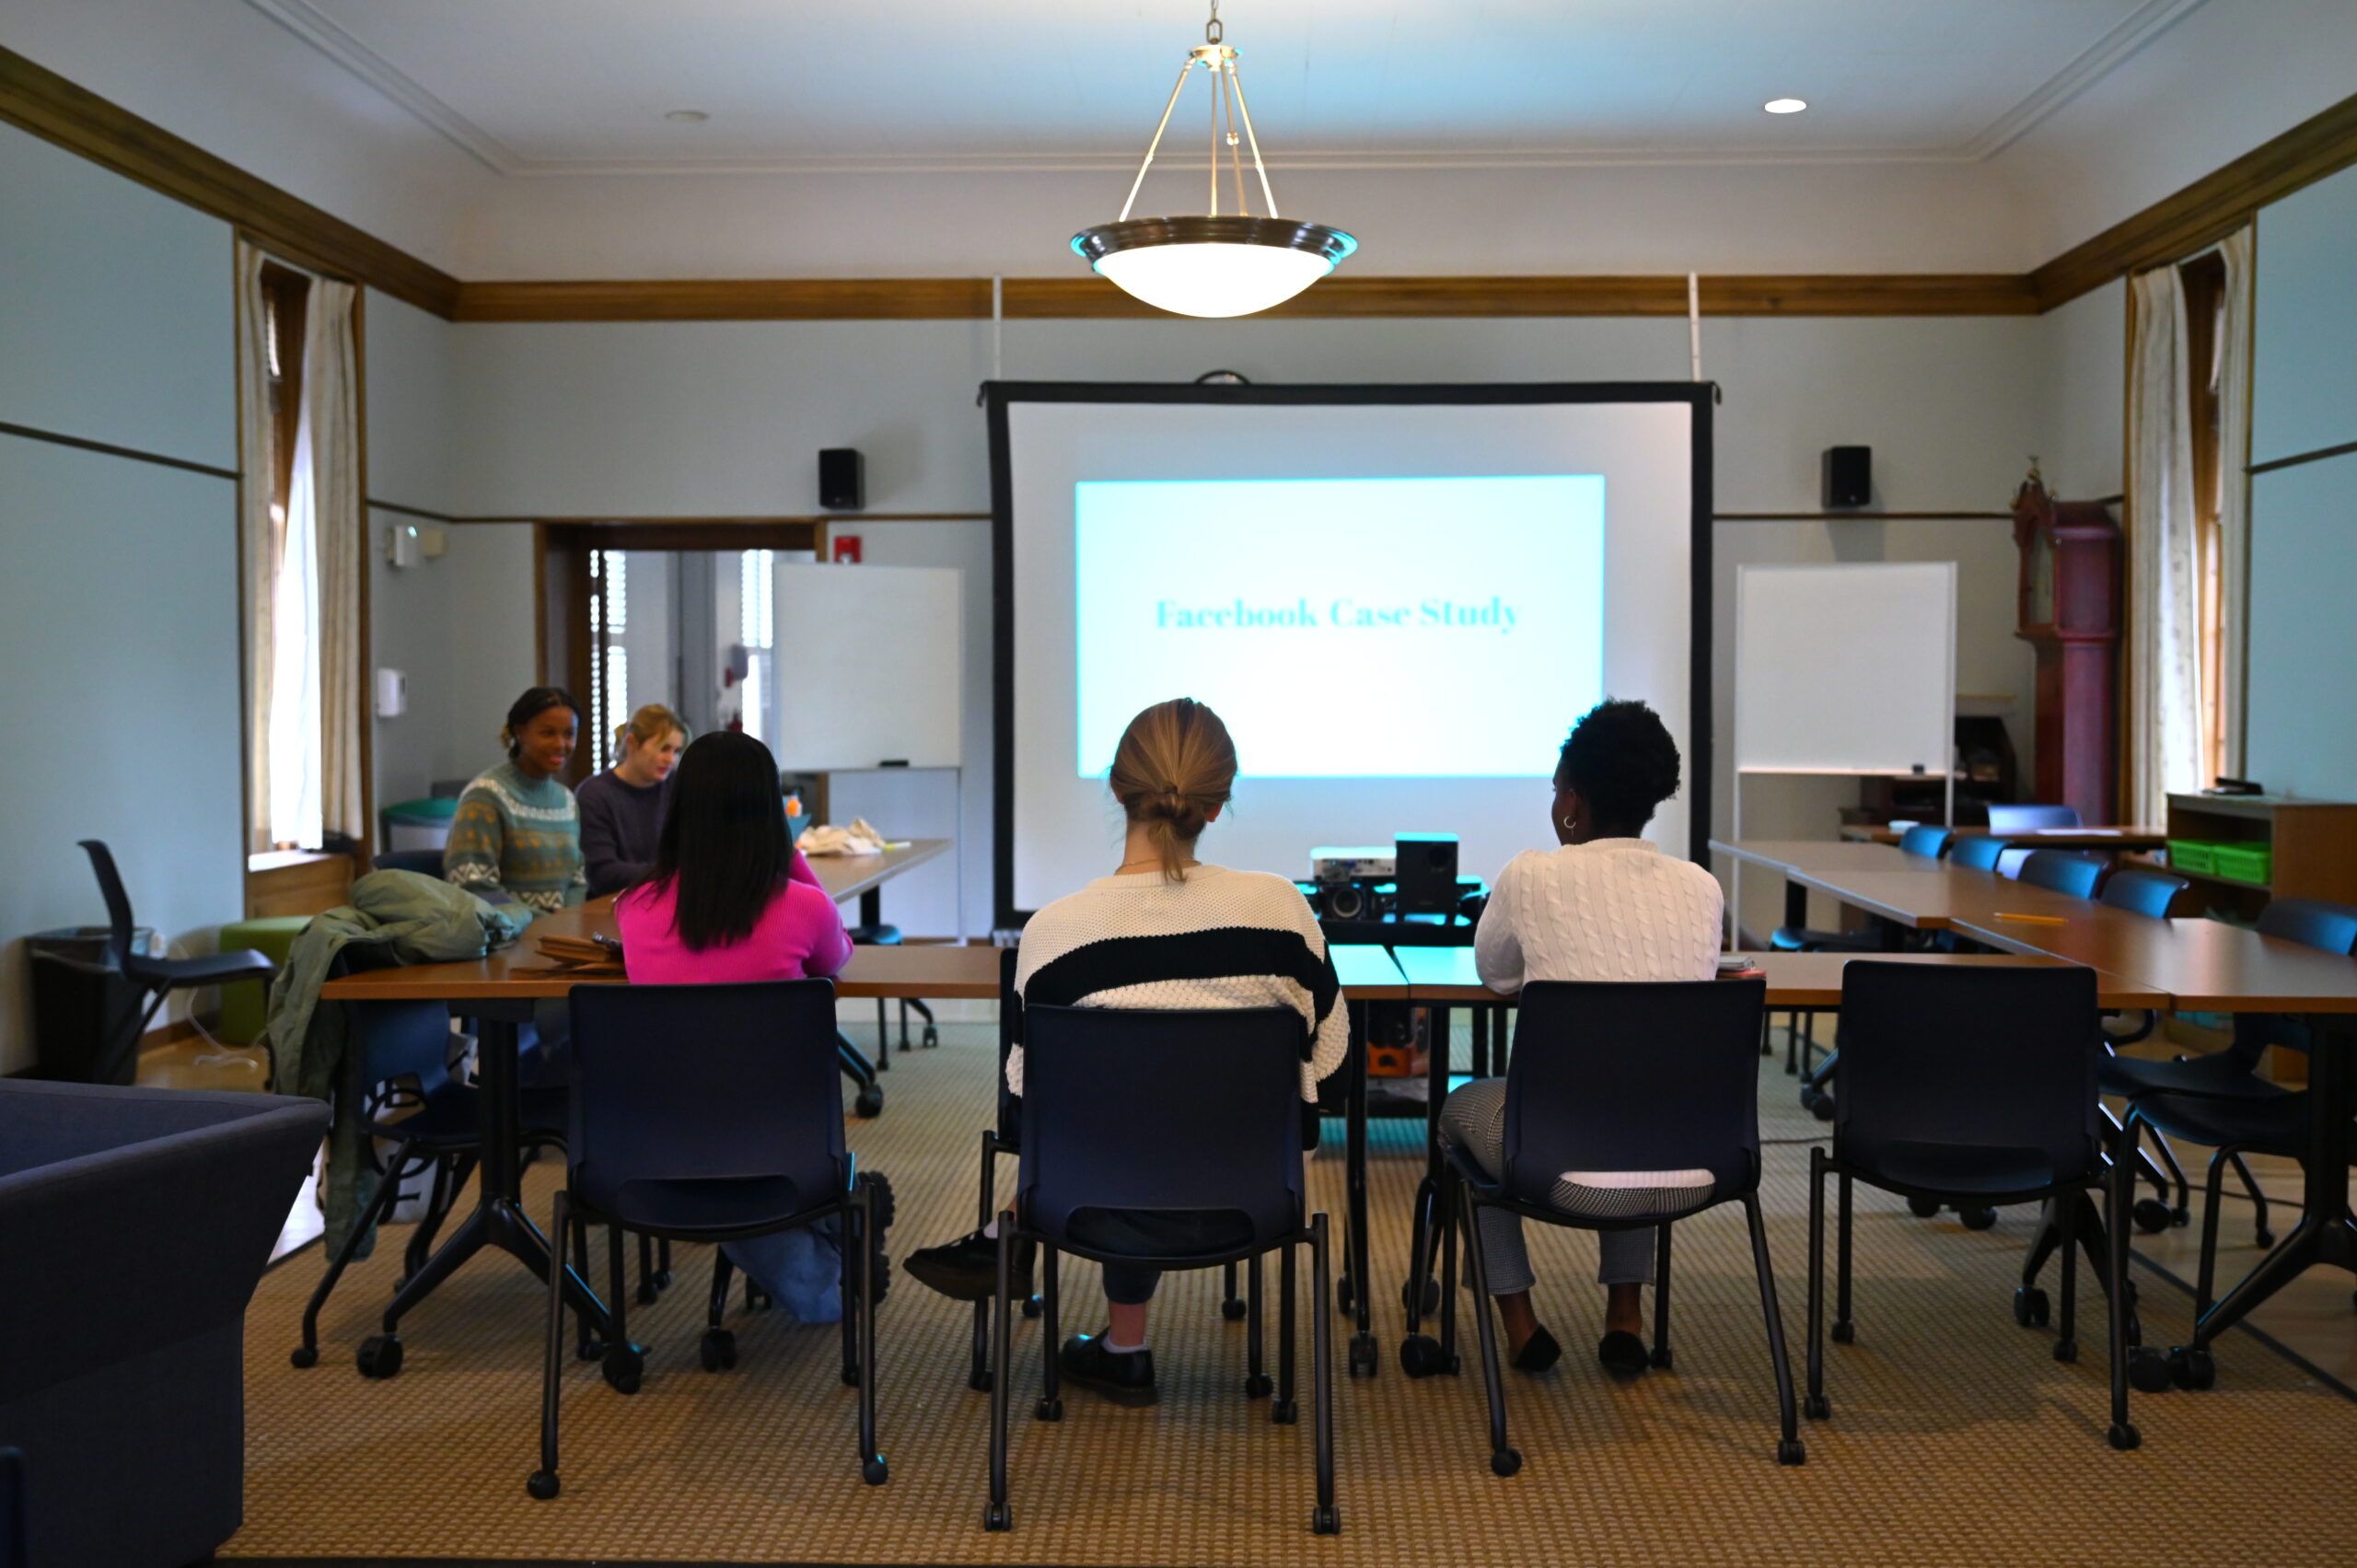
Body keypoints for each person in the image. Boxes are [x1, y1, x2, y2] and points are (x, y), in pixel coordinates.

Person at [902, 697, 1349, 1408]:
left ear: (1116, 786)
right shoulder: (1283, 913)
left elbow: (1027, 1114)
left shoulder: (1054, 935)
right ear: (1218, 801)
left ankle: (1024, 1251)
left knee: (1124, 1114)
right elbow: (1330, 1067)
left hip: (1096, 1202)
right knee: (1165, 1112)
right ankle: (1110, 1334)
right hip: (1254, 1201)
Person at [1443, 698, 1724, 1377]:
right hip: (1692, 1157)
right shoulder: (1702, 888)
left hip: (1556, 1162)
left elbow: (1495, 973)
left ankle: (1520, 1322)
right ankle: (1624, 1316)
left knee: (1457, 1113)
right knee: (1637, 1093)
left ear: (1572, 799)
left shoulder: (1533, 874)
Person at [613, 729, 864, 1313]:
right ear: (769, 812)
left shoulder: (635, 908)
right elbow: (839, 960)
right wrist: (792, 854)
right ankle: (828, 1266)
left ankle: (824, 1257)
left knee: (721, 1155)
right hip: (782, 1137)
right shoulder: (805, 908)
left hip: (657, 1138)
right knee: (771, 1182)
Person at [443, 688, 589, 915]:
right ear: (520, 733)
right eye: (548, 733)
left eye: (569, 734)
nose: (561, 744)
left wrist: (568, 922)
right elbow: (473, 887)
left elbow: (576, 879)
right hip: (506, 938)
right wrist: (545, 924)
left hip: (560, 936)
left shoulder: (567, 800)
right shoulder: (485, 796)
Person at [576, 703, 689, 897]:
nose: (671, 760)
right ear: (632, 743)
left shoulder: (676, 786)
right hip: (612, 906)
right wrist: (674, 872)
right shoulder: (595, 794)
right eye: (664, 749)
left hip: (667, 900)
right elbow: (604, 874)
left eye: (676, 751)